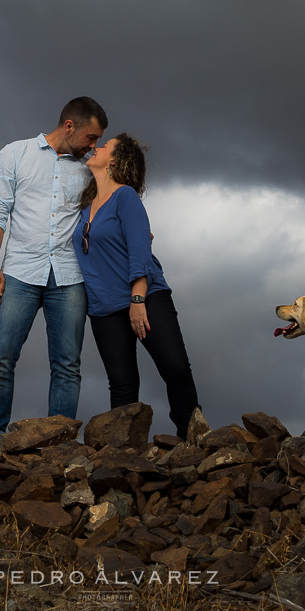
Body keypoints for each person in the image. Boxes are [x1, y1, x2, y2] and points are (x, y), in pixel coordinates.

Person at [0, 97, 108, 438]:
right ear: (69, 126)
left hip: (69, 277)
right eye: (90, 137)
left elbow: (109, 208)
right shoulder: (15, 154)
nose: (94, 146)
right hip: (19, 272)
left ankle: (58, 441)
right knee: (1, 357)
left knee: (67, 365)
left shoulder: (89, 168)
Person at [75, 133, 200, 438]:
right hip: (103, 307)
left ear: (115, 160)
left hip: (145, 297)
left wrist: (138, 300)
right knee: (121, 385)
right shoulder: (84, 207)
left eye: (104, 146)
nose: (96, 147)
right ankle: (125, 458)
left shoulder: (125, 196)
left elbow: (139, 252)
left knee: (176, 369)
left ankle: (193, 442)